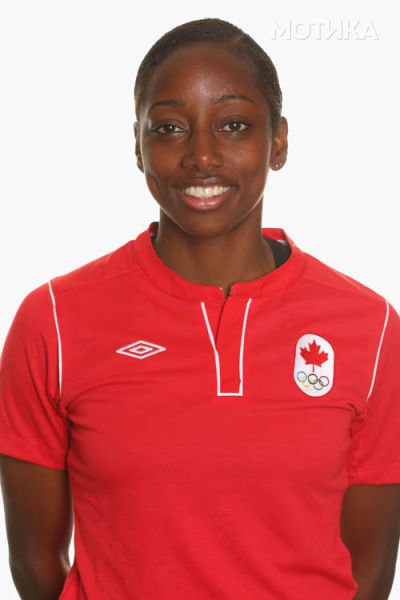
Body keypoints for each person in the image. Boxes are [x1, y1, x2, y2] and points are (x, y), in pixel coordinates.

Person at [0, 17, 400, 600]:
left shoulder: (372, 330)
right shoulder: (53, 321)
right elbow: (35, 561)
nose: (202, 156)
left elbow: (369, 567)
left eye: (234, 125)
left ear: (279, 141)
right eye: (169, 128)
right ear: (137, 146)